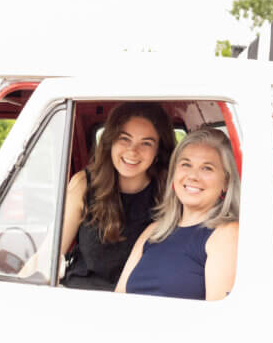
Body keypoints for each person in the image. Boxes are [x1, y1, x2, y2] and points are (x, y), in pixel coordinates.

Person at [58, 101, 175, 290]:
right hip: (82, 295)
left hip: (142, 301)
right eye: (124, 139)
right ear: (110, 141)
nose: (132, 151)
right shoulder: (84, 184)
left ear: (157, 151)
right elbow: (51, 254)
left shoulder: (170, 191)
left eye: (146, 143)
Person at [115, 127, 239, 301]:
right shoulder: (154, 230)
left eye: (207, 168)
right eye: (186, 165)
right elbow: (118, 297)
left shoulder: (227, 234)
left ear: (226, 182)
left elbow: (218, 319)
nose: (193, 176)